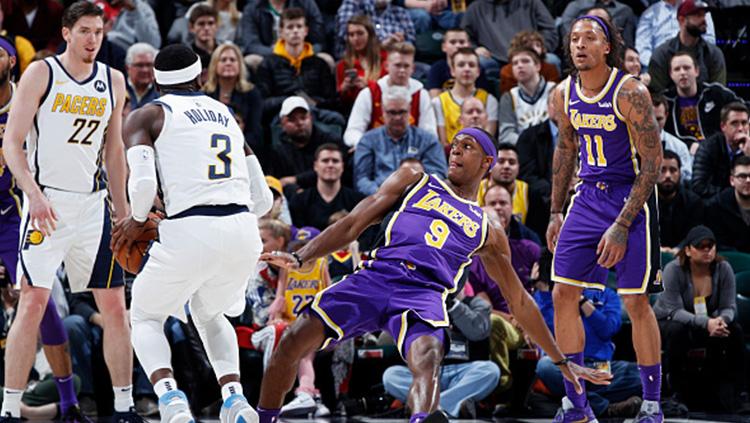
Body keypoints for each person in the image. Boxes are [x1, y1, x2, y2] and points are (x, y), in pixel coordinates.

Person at [255, 126, 610, 423]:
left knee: (427, 357)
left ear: (487, 163)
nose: (455, 150)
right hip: (376, 275)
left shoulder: (486, 227)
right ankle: (266, 417)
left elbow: (518, 299)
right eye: (453, 145)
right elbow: (352, 223)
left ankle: (424, 417)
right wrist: (301, 256)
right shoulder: (415, 180)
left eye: (466, 147)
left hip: (423, 293)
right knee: (290, 342)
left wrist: (561, 360)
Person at [111, 43, 274, 423]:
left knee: (147, 317)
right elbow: (263, 199)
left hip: (189, 228)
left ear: (155, 79)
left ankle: (171, 400)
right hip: (244, 230)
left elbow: (142, 185)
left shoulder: (146, 115)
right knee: (211, 312)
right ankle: (235, 399)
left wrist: (137, 220)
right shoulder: (226, 114)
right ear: (201, 76)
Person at [0, 2, 141, 421]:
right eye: (84, 31)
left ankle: (125, 406)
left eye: (98, 31)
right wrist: (33, 195)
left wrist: (123, 211)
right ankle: (8, 408)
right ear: (66, 32)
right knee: (32, 303)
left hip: (94, 206)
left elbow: (114, 151)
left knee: (115, 306)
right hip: (48, 204)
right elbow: (13, 143)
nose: (92, 39)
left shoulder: (113, 81)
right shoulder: (42, 73)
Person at [546, 15, 665, 422]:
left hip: (629, 196)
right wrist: (555, 211)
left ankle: (651, 404)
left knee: (635, 301)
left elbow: (652, 165)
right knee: (563, 293)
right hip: (586, 198)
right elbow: (565, 151)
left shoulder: (629, 92)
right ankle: (576, 405)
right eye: (574, 38)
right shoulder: (562, 94)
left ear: (607, 46)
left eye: (589, 38)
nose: (579, 44)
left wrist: (621, 224)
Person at [0, 34, 92, 422]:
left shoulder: (31, 100)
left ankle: (69, 400)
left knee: (41, 308)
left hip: (15, 215)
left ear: (10, 63)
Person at [654, 225, 746, 412]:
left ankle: (737, 393)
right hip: (669, 320)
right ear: (688, 250)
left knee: (734, 331)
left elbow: (729, 306)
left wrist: (721, 321)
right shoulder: (673, 269)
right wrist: (708, 323)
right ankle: (673, 393)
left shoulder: (723, 268)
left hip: (708, 322)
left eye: (710, 246)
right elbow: (674, 310)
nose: (707, 250)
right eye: (700, 246)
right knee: (677, 331)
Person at [381, 284, 500, 419]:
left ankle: (430, 407)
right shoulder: (423, 305)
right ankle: (453, 404)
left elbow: (478, 332)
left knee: (491, 371)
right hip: (428, 372)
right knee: (391, 375)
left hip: (464, 373)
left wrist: (454, 306)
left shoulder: (478, 304)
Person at [535, 281, 644, 418]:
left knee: (642, 375)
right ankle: (605, 408)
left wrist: (582, 302)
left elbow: (608, 329)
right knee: (545, 366)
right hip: (567, 366)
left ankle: (574, 400)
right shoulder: (552, 294)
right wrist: (545, 291)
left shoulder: (608, 294)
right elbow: (547, 330)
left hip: (600, 367)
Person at [268, 227, 330, 417]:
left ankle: (305, 392)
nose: (304, 250)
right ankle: (312, 397)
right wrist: (276, 318)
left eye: (308, 246)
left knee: (304, 352)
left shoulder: (320, 265)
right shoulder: (287, 269)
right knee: (295, 350)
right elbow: (279, 297)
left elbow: (328, 295)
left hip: (312, 323)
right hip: (289, 323)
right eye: (300, 246)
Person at [354, 85, 447, 196]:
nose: (397, 117)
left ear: (410, 110)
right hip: (378, 201)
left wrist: (414, 194)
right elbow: (361, 180)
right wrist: (383, 195)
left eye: (402, 112)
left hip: (419, 200)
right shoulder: (368, 140)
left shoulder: (428, 140)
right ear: (383, 111)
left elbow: (438, 176)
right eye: (392, 112)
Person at [344, 42, 436, 149]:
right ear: (386, 66)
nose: (402, 70)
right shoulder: (369, 93)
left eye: (406, 66)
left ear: (413, 69)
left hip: (411, 153)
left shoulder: (421, 94)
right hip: (375, 150)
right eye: (397, 65)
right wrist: (364, 145)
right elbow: (352, 131)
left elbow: (430, 133)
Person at [255, 8, 337, 118]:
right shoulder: (268, 64)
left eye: (299, 26)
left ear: (306, 31)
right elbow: (261, 104)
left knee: (337, 119)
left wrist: (314, 102)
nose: (295, 31)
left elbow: (332, 101)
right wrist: (291, 101)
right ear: (281, 32)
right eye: (290, 27)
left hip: (315, 114)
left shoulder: (320, 64)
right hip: (281, 117)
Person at [662, 51, 745, 153]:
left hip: (719, 150)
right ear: (671, 74)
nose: (682, 72)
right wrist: (687, 145)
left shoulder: (715, 93)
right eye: (677, 69)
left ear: (696, 71)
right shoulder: (666, 101)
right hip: (681, 154)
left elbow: (744, 109)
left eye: (687, 68)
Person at [647, 0, 725, 95]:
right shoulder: (662, 54)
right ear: (682, 20)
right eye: (698, 16)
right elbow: (657, 94)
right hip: (670, 107)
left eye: (704, 15)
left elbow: (719, 93)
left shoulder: (713, 53)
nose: (704, 20)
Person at [268, 96, 346, 190]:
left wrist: (296, 179)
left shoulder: (331, 141)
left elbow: (336, 171)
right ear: (282, 124)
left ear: (311, 118)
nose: (299, 123)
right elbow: (279, 181)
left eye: (303, 118)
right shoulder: (278, 149)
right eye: (292, 119)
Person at [460, 0, 557, 75]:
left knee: (552, 60)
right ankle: (490, 100)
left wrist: (540, 48)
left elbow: (550, 30)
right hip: (494, 57)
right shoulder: (476, 8)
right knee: (481, 62)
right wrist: (474, 49)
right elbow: (464, 36)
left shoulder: (532, 2)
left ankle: (555, 99)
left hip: (531, 55)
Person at [289, 144, 364, 230]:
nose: (330, 165)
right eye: (325, 161)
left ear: (342, 166)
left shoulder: (358, 201)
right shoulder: (299, 201)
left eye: (335, 161)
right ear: (315, 166)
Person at [432, 47, 498, 145]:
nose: (467, 69)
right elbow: (443, 143)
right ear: (452, 71)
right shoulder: (438, 102)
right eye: (461, 65)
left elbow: (488, 140)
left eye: (471, 65)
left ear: (478, 71)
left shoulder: (489, 100)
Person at [203, 42, 264, 147]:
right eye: (223, 60)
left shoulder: (252, 93)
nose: (228, 63)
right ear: (214, 65)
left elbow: (255, 132)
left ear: (239, 65)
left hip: (245, 148)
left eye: (232, 60)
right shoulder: (205, 95)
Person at [237, 0, 325, 71]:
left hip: (302, 53)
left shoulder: (306, 3)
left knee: (326, 59)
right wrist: (280, 52)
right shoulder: (252, 8)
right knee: (251, 60)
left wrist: (302, 52)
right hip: (268, 54)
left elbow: (319, 41)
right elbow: (251, 44)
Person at [691, 102, 750, 200]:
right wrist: (734, 194)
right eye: (734, 123)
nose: (740, 128)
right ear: (723, 126)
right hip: (717, 205)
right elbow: (699, 186)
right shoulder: (708, 148)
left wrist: (748, 157)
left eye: (744, 123)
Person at [497, 47, 555, 145]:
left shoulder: (554, 91)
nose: (520, 65)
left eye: (525, 61)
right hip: (523, 153)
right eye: (515, 63)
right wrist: (530, 145)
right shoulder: (509, 97)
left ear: (538, 66)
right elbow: (506, 135)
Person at [635, 0, 716, 69]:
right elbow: (642, 49)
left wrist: (691, 63)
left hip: (695, 65)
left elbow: (710, 41)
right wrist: (660, 64)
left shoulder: (699, 8)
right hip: (660, 67)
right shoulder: (649, 15)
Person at [336, 15, 388, 112]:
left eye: (360, 33)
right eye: (351, 35)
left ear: (370, 34)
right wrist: (343, 89)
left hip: (382, 109)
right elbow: (341, 102)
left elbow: (390, 90)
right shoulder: (343, 65)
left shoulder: (385, 58)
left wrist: (369, 86)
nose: (355, 38)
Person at [657, 150, 704, 253]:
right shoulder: (645, 202)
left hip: (684, 256)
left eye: (673, 170)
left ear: (680, 173)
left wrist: (679, 249)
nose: (668, 175)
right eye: (662, 170)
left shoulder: (693, 202)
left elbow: (695, 232)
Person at [334, 0, 415, 58]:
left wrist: (398, 45)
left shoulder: (401, 13)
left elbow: (410, 46)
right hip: (358, 59)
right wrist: (380, 46)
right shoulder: (352, 4)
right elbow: (346, 36)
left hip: (393, 63)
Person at [426, 28, 491, 98]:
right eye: (453, 42)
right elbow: (435, 99)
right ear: (444, 47)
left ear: (469, 45)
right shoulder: (437, 68)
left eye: (462, 42)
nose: (458, 46)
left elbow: (481, 97)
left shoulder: (477, 68)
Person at [705, 155, 750, 253]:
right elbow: (718, 244)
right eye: (742, 176)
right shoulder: (717, 206)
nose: (748, 180)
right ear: (732, 180)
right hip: (731, 262)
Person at [478, 144, 531, 225]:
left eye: (512, 162)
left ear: (518, 167)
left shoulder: (529, 192)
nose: (506, 166)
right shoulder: (475, 189)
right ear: (490, 165)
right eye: (501, 161)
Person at [499, 31, 561, 95]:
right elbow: (507, 96)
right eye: (530, 45)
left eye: (538, 45)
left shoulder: (550, 68)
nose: (535, 49)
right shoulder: (507, 72)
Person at [560, 0, 637, 48]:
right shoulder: (576, 6)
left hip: (613, 47)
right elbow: (567, 32)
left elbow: (628, 42)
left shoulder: (624, 10)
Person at [652, 94, 691, 181]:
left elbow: (687, 179)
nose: (654, 125)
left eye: (659, 119)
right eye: (650, 119)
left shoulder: (679, 147)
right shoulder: (629, 145)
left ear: (666, 115)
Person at [124, 42, 158, 110]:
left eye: (149, 65)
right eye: (140, 65)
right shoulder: (118, 88)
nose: (145, 70)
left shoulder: (161, 92)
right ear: (128, 68)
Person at [188, 4, 220, 73]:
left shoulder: (226, 51)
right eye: (201, 24)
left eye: (210, 23)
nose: (206, 28)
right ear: (191, 27)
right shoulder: (187, 55)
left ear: (217, 26)